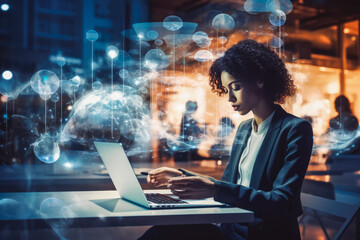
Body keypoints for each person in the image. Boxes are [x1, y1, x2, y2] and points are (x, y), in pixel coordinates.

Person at [139, 39, 313, 240]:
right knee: (164, 230)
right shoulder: (244, 129)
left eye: (236, 87)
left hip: (261, 235)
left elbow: (281, 203)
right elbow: (228, 185)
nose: (229, 97)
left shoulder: (295, 129)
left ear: (260, 79)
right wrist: (181, 175)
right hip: (230, 231)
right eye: (226, 89)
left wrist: (214, 189)